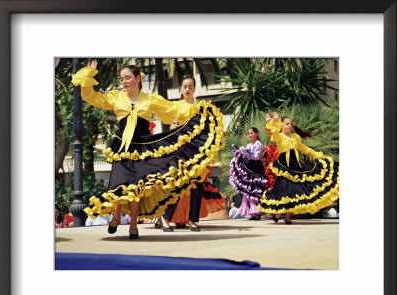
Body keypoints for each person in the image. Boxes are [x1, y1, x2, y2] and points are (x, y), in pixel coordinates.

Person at [71, 61, 224, 239]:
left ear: (137, 78)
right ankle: (116, 216)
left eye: (128, 78)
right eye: (122, 79)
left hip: (143, 146)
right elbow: (91, 96)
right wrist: (89, 74)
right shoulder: (116, 97)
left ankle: (133, 225)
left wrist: (196, 109)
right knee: (118, 184)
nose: (124, 82)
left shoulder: (149, 99)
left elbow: (173, 108)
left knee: (136, 187)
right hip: (122, 147)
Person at [158, 76, 225, 232]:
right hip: (182, 149)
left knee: (197, 184)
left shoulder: (200, 108)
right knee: (179, 183)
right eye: (185, 86)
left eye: (190, 87)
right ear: (181, 89)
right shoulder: (176, 106)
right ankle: (165, 218)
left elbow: (207, 127)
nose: (187, 89)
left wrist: (215, 116)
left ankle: (193, 220)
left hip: (197, 149)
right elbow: (171, 124)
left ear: (194, 89)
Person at [258, 112, 339, 224]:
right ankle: (277, 212)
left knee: (293, 192)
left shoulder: (296, 137)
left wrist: (317, 156)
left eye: (290, 124)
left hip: (296, 167)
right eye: (286, 124)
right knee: (282, 190)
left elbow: (304, 148)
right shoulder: (279, 136)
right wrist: (272, 122)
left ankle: (287, 215)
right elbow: (274, 136)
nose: (289, 126)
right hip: (284, 167)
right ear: (282, 126)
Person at [229, 127, 268, 220]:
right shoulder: (248, 144)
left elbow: (256, 157)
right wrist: (240, 153)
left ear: (257, 133)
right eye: (249, 133)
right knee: (247, 189)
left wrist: (245, 152)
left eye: (251, 133)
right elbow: (247, 155)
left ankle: (257, 212)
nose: (250, 135)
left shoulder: (259, 144)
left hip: (255, 168)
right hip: (248, 167)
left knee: (254, 188)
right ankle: (252, 212)